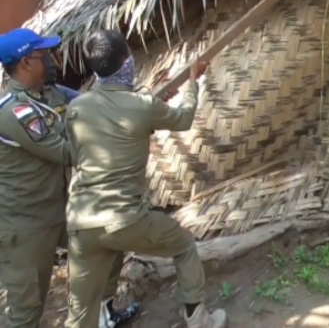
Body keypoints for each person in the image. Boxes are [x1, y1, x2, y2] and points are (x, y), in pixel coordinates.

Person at [62, 29, 226, 328]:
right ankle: (198, 319)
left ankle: (99, 318)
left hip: (80, 222)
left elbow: (79, 153)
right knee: (183, 244)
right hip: (124, 218)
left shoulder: (77, 108)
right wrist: (192, 82)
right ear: (126, 61)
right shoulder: (142, 105)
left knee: (80, 313)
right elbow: (184, 118)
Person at [0, 28, 137, 328]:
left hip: (61, 207)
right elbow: (66, 153)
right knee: (27, 310)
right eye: (44, 54)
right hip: (26, 225)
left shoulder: (51, 93)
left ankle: (103, 316)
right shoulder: (13, 112)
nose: (52, 60)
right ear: (25, 63)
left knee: (109, 239)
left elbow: (92, 104)